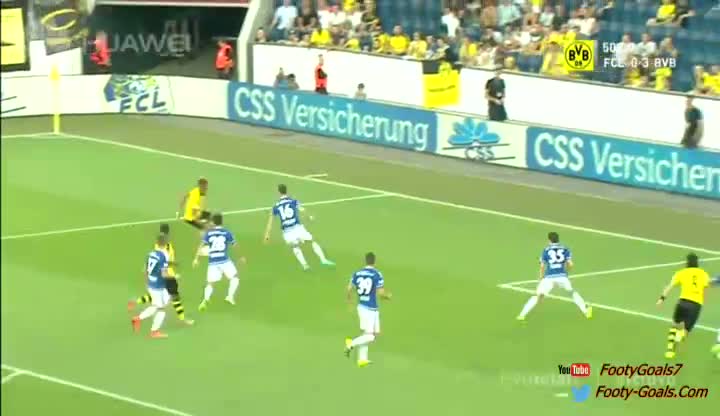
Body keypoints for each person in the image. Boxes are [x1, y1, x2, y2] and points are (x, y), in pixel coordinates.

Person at [516, 232, 593, 321]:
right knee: (571, 292)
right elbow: (570, 264)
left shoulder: (546, 250)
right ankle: (586, 311)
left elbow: (542, 266)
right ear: (558, 239)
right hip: (562, 276)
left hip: (549, 276)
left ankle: (522, 315)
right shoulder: (565, 249)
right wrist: (566, 272)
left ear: (549, 240)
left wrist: (541, 277)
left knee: (537, 295)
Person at [129, 224, 193, 325]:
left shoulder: (157, 247)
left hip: (159, 276)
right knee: (174, 297)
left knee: (160, 296)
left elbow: (157, 262)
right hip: (167, 275)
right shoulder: (165, 249)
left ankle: (136, 302)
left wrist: (172, 263)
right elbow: (163, 263)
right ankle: (182, 319)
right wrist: (173, 275)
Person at [264, 184, 334, 271]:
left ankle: (305, 265)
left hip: (287, 231)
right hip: (297, 228)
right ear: (286, 191)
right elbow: (302, 210)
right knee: (312, 241)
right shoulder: (293, 201)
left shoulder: (276, 206)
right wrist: (309, 217)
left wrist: (267, 234)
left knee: (295, 246)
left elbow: (270, 221)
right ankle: (323, 260)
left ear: (278, 192)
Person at [656, 253, 710, 359]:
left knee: (674, 325)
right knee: (685, 331)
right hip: (695, 305)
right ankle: (678, 338)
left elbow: (669, 286)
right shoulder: (704, 274)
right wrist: (702, 302)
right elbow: (705, 290)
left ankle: (670, 349)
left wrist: (661, 299)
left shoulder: (681, 273)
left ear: (687, 262)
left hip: (682, 302)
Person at [344, 252, 392, 367]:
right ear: (374, 261)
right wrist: (388, 296)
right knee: (370, 336)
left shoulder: (357, 273)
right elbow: (381, 293)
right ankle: (351, 343)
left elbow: (349, 288)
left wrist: (349, 301)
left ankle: (362, 359)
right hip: (370, 308)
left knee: (371, 334)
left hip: (362, 306)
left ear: (365, 261)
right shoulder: (377, 274)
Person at [193, 213, 245, 310]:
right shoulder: (226, 232)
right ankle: (230, 297)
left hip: (213, 261)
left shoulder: (209, 233)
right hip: (224, 260)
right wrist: (241, 256)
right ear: (222, 222)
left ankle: (205, 299)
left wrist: (196, 259)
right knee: (235, 277)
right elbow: (235, 245)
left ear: (213, 222)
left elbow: (201, 246)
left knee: (210, 283)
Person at [131, 234, 172, 339]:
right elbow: (164, 273)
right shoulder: (164, 255)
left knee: (157, 305)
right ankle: (154, 331)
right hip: (159, 286)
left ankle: (138, 318)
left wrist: (147, 282)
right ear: (166, 243)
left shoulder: (151, 253)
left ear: (157, 242)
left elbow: (145, 270)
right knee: (162, 308)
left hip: (151, 284)